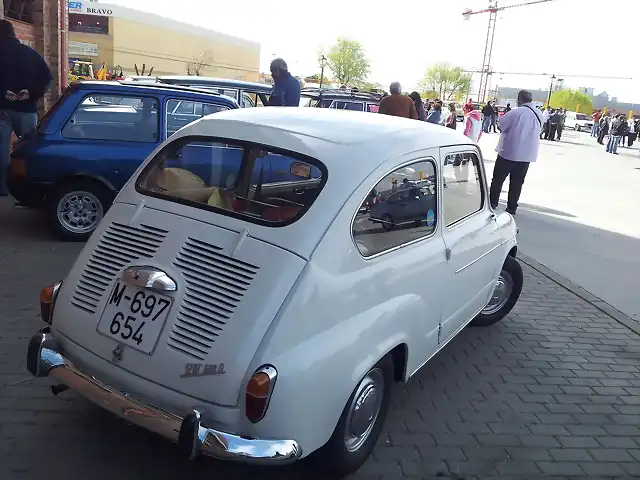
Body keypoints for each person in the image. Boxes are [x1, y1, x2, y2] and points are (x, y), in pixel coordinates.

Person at [0, 19, 52, 196]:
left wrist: (3, 92)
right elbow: (47, 79)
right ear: (13, 33)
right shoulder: (30, 53)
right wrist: (29, 93)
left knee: (1, 149)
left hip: (2, 109)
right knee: (30, 148)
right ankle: (30, 188)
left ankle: (3, 188)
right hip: (26, 109)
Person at [489, 90, 543, 215]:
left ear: (520, 99)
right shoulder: (539, 114)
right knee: (517, 183)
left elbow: (501, 126)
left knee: (498, 179)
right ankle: (512, 207)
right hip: (526, 155)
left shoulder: (515, 112)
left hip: (509, 152)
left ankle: (493, 203)